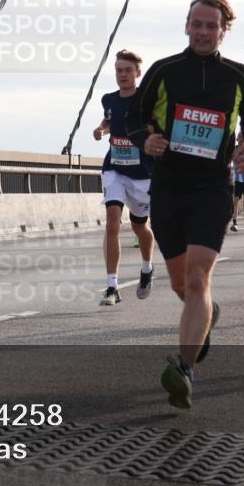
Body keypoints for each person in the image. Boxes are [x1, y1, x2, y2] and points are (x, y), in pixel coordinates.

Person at [126, 0, 244, 409]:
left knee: (199, 277)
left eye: (212, 26)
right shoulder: (164, 71)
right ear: (187, 27)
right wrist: (146, 138)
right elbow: (134, 117)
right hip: (168, 187)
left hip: (212, 188)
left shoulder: (238, 76)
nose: (203, 32)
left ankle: (183, 368)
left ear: (224, 32)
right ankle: (204, 316)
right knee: (182, 283)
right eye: (197, 25)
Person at [93, 49, 156, 305]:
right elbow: (109, 120)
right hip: (115, 168)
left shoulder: (147, 100)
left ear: (137, 73)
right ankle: (111, 287)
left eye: (128, 70)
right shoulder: (108, 99)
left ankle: (147, 267)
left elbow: (157, 127)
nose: (123, 75)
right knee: (112, 222)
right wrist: (101, 129)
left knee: (141, 227)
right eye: (119, 70)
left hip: (142, 174)